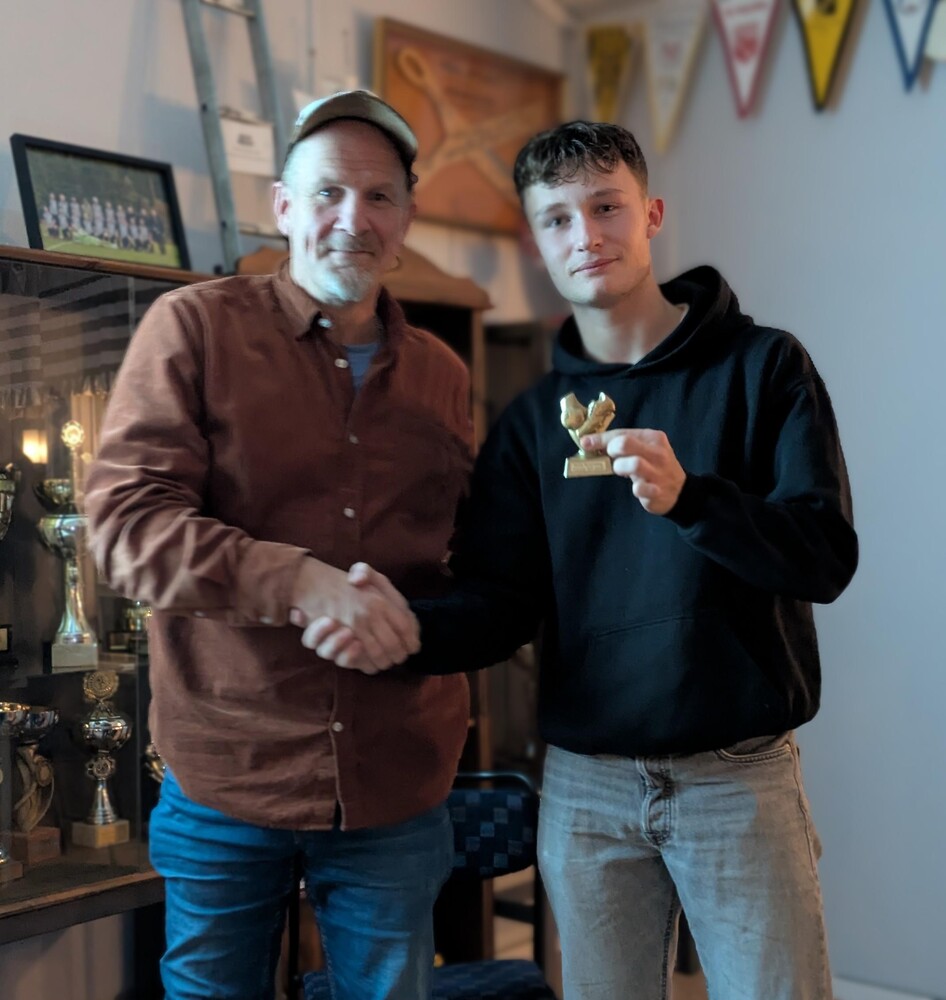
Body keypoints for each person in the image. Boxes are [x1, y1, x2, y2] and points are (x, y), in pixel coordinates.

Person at [301, 121, 859, 1000]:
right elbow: (501, 604)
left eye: (607, 208)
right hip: (587, 790)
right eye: (558, 219)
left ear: (652, 215)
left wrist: (693, 500)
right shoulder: (533, 421)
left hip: (738, 778)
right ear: (536, 244)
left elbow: (823, 558)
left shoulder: (765, 367)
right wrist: (402, 627)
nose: (586, 236)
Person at [83, 90, 475, 1000]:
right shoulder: (193, 327)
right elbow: (125, 526)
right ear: (284, 207)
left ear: (406, 220)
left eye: (380, 197)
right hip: (229, 774)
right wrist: (299, 582)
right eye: (329, 192)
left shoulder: (443, 375)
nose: (354, 218)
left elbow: (464, 557)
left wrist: (419, 622)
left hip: (396, 783)